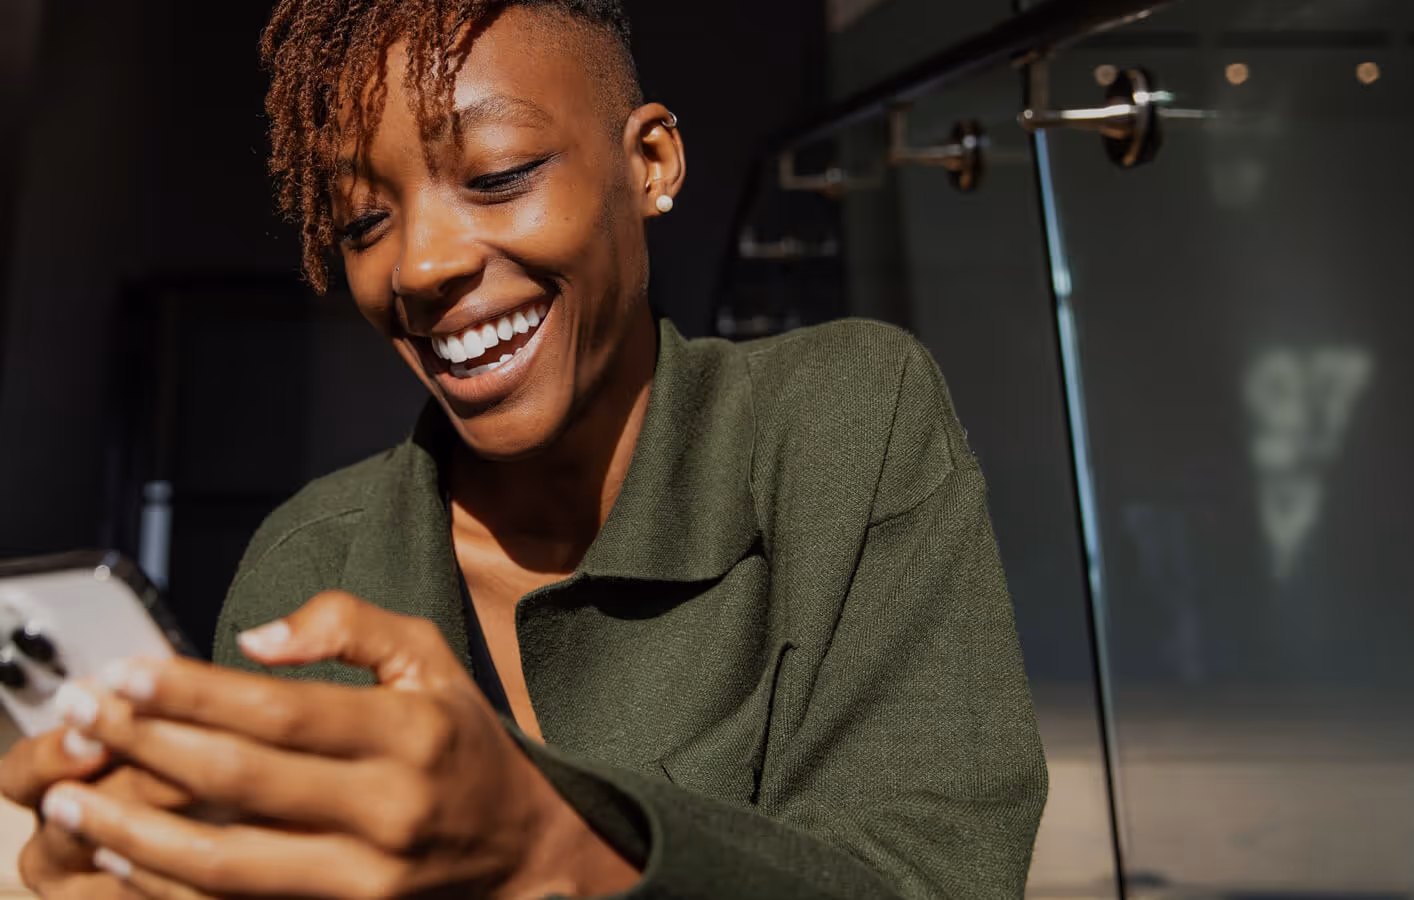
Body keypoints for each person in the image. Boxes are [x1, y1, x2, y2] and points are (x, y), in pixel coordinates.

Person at [0, 1, 1048, 897]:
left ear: (650, 164)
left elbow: (934, 876)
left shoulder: (842, 421)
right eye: (363, 222)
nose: (419, 264)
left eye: (498, 174)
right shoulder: (309, 561)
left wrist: (554, 849)